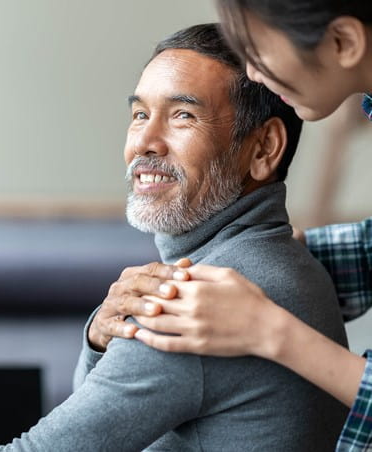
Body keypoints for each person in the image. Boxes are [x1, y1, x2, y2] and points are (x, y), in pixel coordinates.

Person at [0, 23, 348, 451]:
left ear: (263, 149)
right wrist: (99, 340)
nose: (144, 141)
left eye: (183, 115)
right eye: (140, 114)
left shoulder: (199, 306)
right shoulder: (292, 263)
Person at [89, 2, 372, 451]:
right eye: (139, 114)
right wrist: (284, 261)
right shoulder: (257, 270)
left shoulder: (215, 309)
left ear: (344, 42)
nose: (255, 73)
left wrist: (269, 326)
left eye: (258, 49)